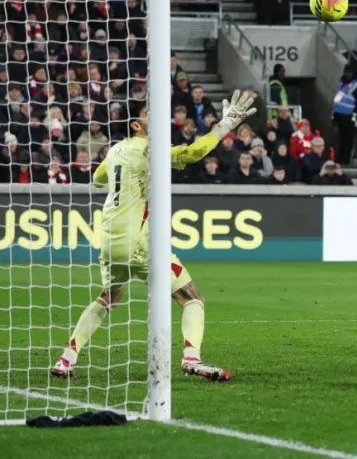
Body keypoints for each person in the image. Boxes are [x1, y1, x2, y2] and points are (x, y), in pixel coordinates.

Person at [51, 90, 258, 382]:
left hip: (110, 240)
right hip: (140, 243)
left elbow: (98, 179)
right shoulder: (149, 149)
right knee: (192, 298)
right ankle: (191, 358)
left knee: (108, 298)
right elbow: (192, 154)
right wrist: (225, 126)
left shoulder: (116, 150)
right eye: (149, 113)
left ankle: (67, 358)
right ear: (136, 124)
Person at [332, 68, 357, 163]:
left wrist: (355, 116)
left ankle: (345, 159)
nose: (346, 74)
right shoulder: (342, 85)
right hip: (339, 115)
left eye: (349, 72)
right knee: (340, 138)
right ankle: (340, 157)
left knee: (348, 138)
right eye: (346, 72)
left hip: (348, 116)